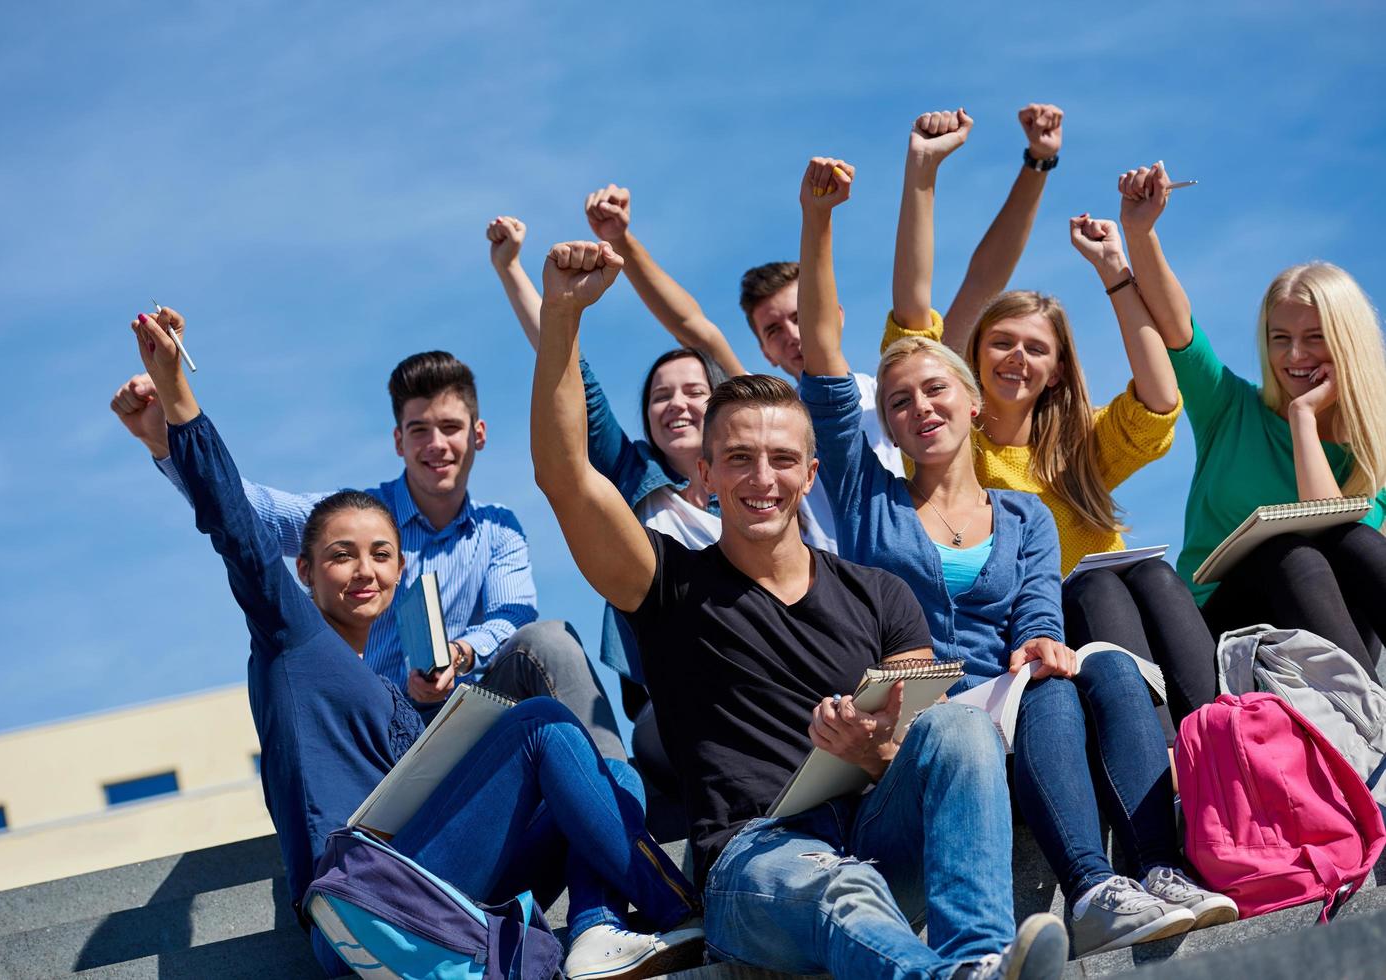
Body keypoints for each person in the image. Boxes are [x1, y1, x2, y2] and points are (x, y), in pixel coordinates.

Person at [530, 237, 1070, 980]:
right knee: (836, 884)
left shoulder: (879, 594)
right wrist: (560, 315)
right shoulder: (663, 582)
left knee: (956, 723)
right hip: (757, 864)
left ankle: (975, 953)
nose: (763, 477)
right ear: (706, 474)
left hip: (876, 837)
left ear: (809, 471)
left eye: (782, 460)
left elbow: (915, 738)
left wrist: (870, 751)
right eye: (740, 459)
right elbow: (564, 475)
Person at [123, 308, 702, 980]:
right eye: (341, 555)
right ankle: (682, 907)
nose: (364, 570)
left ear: (401, 572)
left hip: (439, 876)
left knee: (615, 773)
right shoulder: (293, 641)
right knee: (542, 724)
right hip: (366, 897)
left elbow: (514, 616)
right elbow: (238, 523)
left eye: (380, 555)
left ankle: (596, 926)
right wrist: (175, 404)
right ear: (304, 570)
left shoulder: (393, 689)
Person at [793, 156, 1237, 957]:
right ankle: (1091, 883)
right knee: (1046, 689)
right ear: (885, 427)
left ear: (970, 400)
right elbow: (823, 355)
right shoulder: (868, 499)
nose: (919, 408)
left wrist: (1040, 642)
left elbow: (1036, 607)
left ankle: (1157, 870)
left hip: (1009, 696)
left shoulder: (1024, 513)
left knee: (1085, 667)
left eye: (934, 391)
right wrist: (817, 221)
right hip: (927, 722)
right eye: (898, 402)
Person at [110, 346, 624, 760]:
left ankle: (620, 803)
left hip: (472, 712)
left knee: (550, 640)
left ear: (478, 436)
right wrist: (166, 444)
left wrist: (458, 656)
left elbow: (513, 619)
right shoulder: (353, 519)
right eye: (419, 430)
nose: (436, 444)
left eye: (450, 427)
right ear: (398, 440)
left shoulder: (499, 529)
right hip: (377, 726)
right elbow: (251, 513)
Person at [577, 103, 1065, 539]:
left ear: (834, 315)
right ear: (764, 351)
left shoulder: (900, 388)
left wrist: (1037, 165)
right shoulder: (773, 414)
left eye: (799, 316)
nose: (792, 333)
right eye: (773, 330)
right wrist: (623, 241)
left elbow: (982, 284)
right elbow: (695, 328)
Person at [880, 109, 1217, 721]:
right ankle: (1164, 748)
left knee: (1153, 580)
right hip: (1034, 637)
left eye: (1037, 348)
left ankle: (1221, 732)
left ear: (1057, 370)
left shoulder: (1077, 445)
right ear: (971, 357)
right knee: (1095, 588)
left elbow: (1161, 402)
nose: (1017, 357)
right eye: (1001, 342)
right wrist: (923, 175)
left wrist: (1117, 272)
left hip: (1124, 610)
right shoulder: (946, 442)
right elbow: (923, 305)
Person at [489, 214, 724, 800]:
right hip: (675, 708)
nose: (675, 405)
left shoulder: (772, 497)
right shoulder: (634, 477)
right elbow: (567, 365)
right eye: (660, 396)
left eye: (694, 393)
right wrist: (513, 271)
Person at [1118, 161, 1386, 672]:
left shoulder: (1378, 452)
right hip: (1226, 635)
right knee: (1289, 553)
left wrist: (1305, 419)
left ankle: (1359, 711)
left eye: (1314, 338)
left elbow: (1335, 534)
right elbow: (1179, 328)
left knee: (1353, 541)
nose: (1295, 357)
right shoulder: (1229, 407)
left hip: (1332, 633)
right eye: (1280, 339)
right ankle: (1365, 716)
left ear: (1349, 343)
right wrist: (1140, 231)